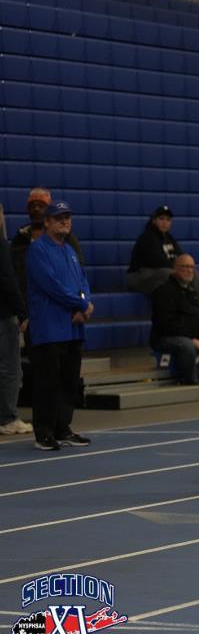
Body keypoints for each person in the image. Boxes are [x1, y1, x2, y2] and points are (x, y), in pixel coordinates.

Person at [25, 201, 93, 451]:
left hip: (73, 327)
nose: (64, 221)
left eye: (67, 217)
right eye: (58, 217)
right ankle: (44, 432)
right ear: (47, 222)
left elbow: (82, 281)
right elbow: (52, 286)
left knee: (69, 381)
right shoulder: (38, 250)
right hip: (50, 328)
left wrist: (84, 304)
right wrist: (80, 305)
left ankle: (63, 428)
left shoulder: (70, 251)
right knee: (48, 383)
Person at [150, 255, 199, 397]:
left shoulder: (192, 292)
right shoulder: (163, 291)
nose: (188, 270)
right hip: (165, 338)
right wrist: (194, 340)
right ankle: (192, 383)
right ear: (175, 269)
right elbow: (167, 324)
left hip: (189, 337)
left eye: (191, 267)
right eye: (184, 267)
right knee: (187, 345)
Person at [11, 188, 84, 320]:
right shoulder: (19, 239)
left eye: (41, 205)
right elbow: (14, 276)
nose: (36, 209)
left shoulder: (67, 240)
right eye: (32, 206)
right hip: (28, 307)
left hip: (62, 307)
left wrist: (81, 305)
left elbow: (79, 275)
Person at [127, 205, 199, 303]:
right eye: (161, 219)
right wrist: (179, 268)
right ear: (154, 220)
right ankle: (181, 305)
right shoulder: (147, 238)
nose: (165, 223)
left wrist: (186, 266)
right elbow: (157, 261)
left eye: (168, 220)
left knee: (193, 272)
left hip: (160, 273)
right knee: (169, 273)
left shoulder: (169, 238)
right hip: (138, 277)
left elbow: (181, 257)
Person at [0, 207, 32, 435]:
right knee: (10, 368)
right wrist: (22, 311)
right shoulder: (1, 245)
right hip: (3, 314)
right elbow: (8, 280)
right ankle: (7, 417)